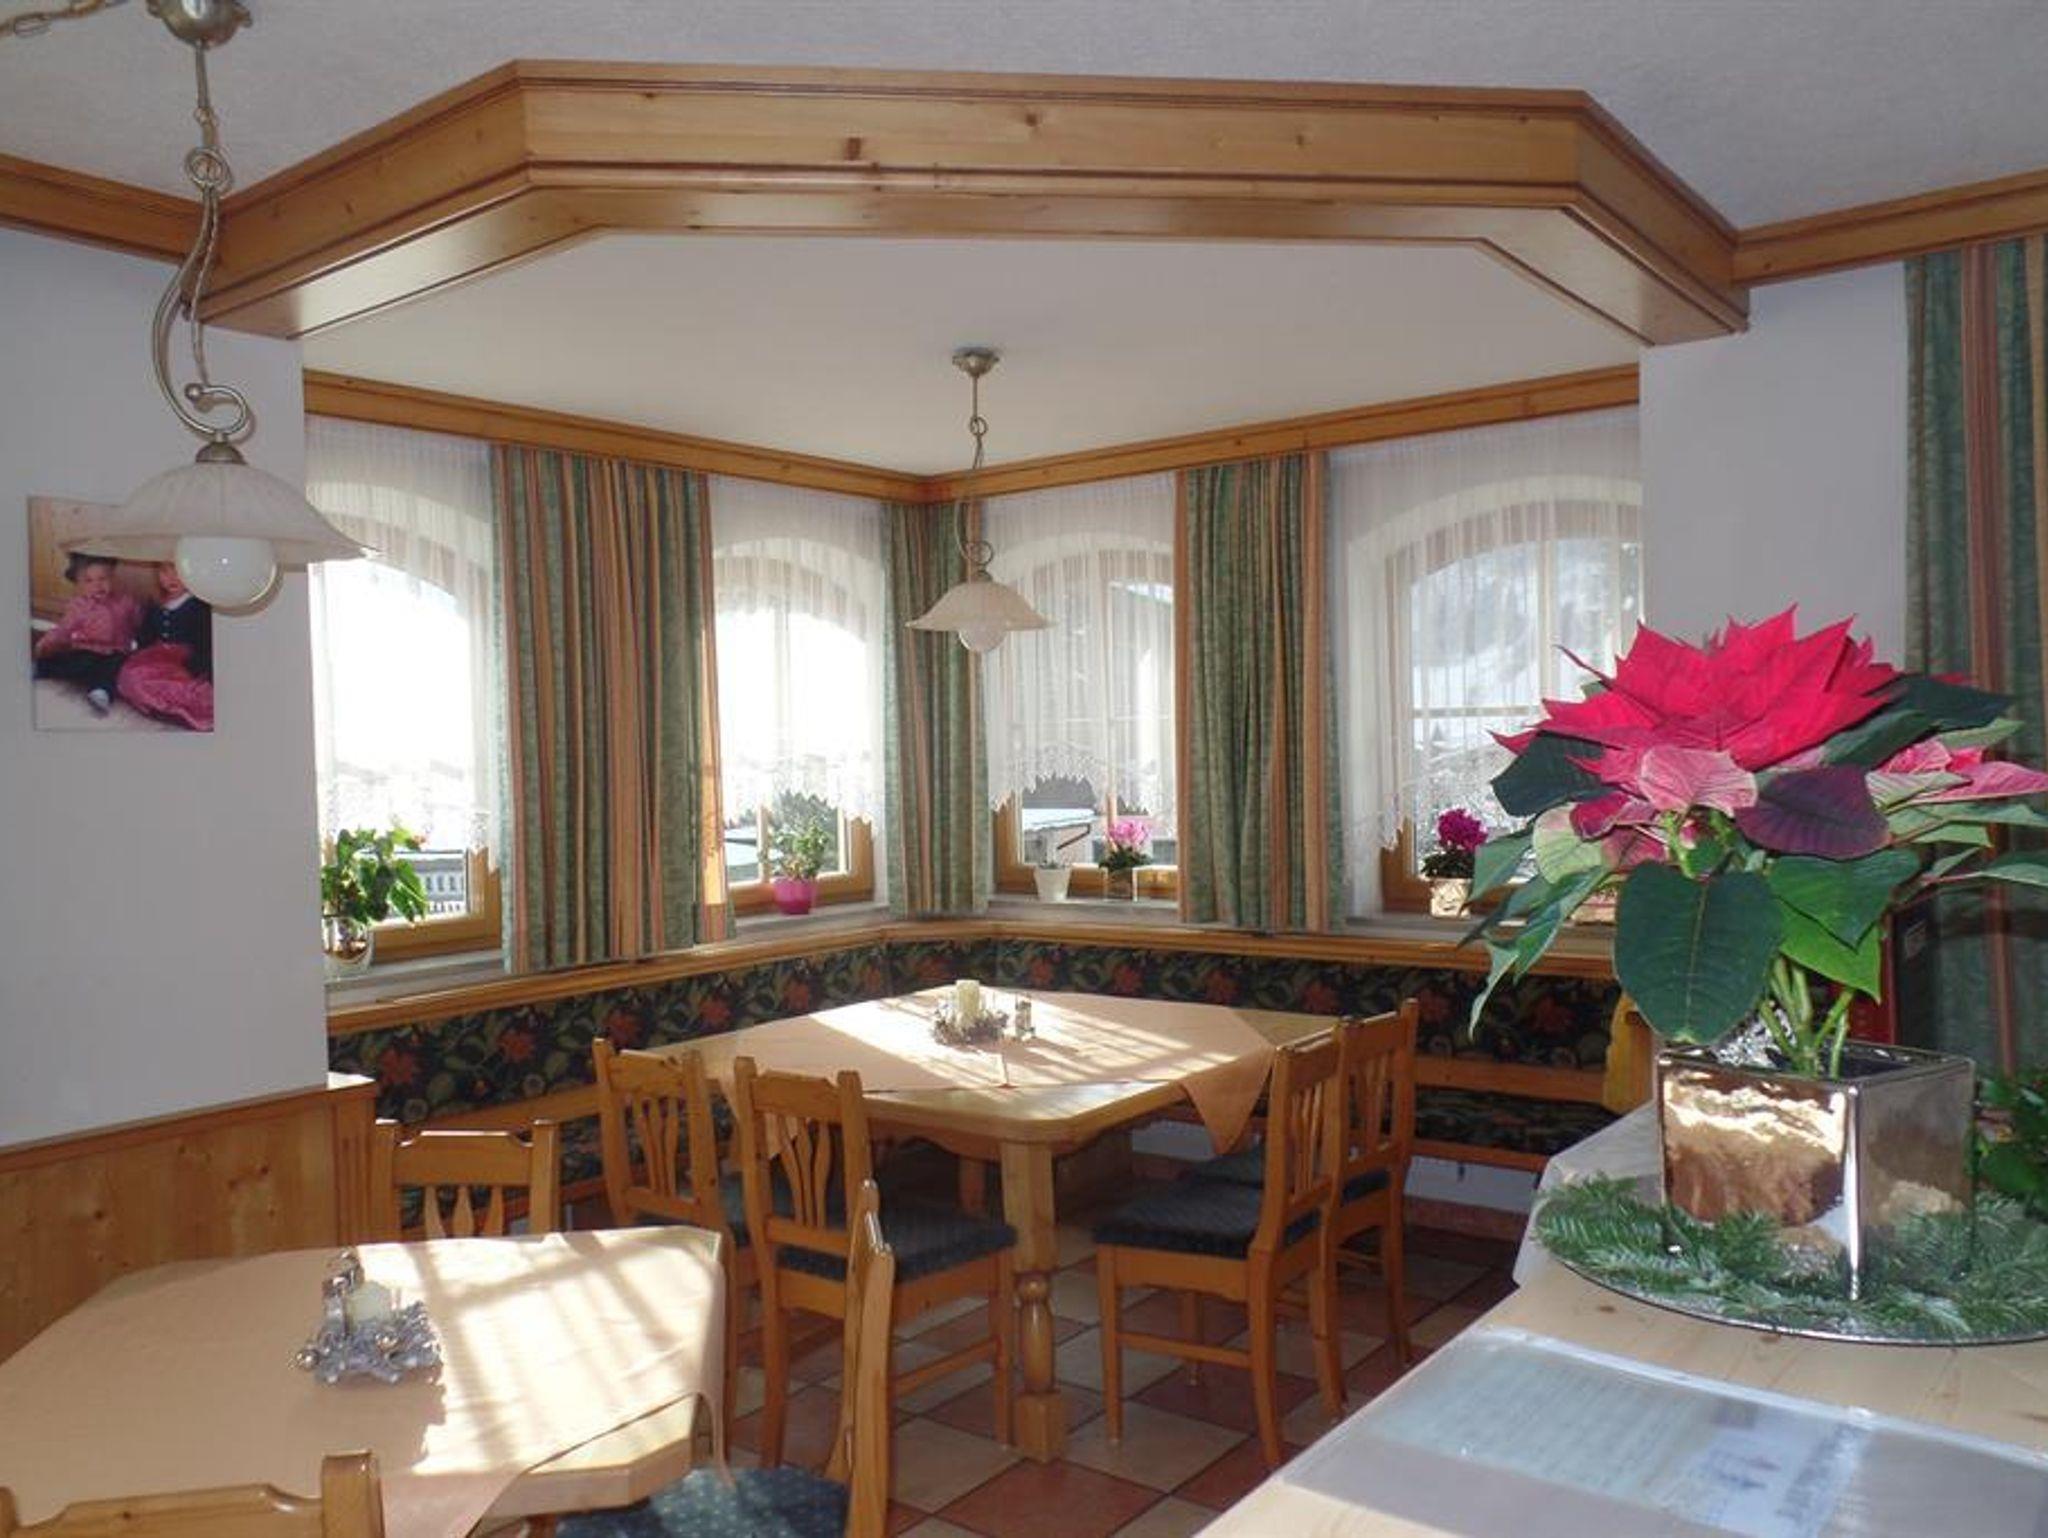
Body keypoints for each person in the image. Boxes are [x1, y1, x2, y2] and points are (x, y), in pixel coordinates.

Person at [32, 552, 141, 715]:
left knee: (116, 667)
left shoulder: (126, 601)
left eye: (103, 579)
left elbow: (138, 623)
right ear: (79, 585)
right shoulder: (79, 605)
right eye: (89, 581)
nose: (97, 585)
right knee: (77, 662)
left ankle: (101, 691)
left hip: (116, 650)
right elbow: (64, 629)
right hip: (87, 648)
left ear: (112, 578)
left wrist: (142, 638)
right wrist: (46, 641)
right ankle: (42, 668)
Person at [117, 562, 215, 731]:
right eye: (164, 571)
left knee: (190, 689)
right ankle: (161, 705)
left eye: (178, 571)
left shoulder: (199, 606)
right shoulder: (157, 602)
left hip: (187, 659)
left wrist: (195, 667)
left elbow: (204, 643)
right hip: (158, 654)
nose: (171, 578)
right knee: (130, 674)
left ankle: (183, 707)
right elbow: (147, 633)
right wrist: (136, 646)